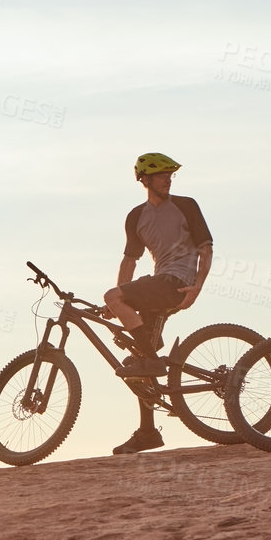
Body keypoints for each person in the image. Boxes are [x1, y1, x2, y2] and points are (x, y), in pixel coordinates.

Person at [103, 152, 214, 455]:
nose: (168, 179)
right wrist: (119, 296)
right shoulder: (136, 217)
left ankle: (151, 358)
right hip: (158, 284)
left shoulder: (185, 205)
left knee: (118, 309)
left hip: (177, 283)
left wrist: (197, 289)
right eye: (162, 175)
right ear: (145, 180)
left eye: (170, 175)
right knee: (138, 360)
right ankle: (148, 432)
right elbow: (130, 259)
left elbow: (206, 249)